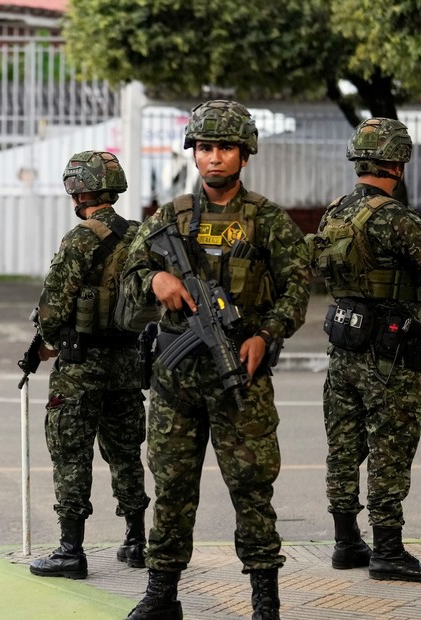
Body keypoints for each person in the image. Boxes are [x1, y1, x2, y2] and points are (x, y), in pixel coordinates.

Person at [119, 100, 311, 620]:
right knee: (174, 487)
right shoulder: (171, 215)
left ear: (244, 155)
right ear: (195, 153)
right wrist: (156, 279)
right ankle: (162, 594)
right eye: (206, 148)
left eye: (225, 148)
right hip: (177, 380)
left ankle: (264, 599)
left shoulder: (267, 219)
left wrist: (266, 335)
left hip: (239, 377)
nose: (215, 158)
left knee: (251, 488)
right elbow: (131, 269)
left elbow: (298, 285)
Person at [309, 118, 421, 582]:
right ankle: (388, 551)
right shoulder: (396, 217)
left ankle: (345, 542)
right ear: (398, 162)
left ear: (359, 160)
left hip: (344, 345)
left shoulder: (334, 211)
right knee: (389, 448)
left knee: (343, 446)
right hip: (388, 353)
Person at [28, 151, 151, 580]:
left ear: (80, 189)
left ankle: (70, 550)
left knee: (71, 454)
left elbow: (53, 309)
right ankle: (136, 542)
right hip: (126, 361)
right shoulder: (138, 234)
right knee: (126, 453)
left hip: (80, 365)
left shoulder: (80, 238)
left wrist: (44, 343)